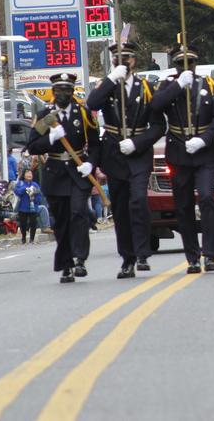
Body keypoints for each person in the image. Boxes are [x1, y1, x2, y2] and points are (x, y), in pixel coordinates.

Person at [87, 42, 165, 279]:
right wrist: (112, 79)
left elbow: (159, 125)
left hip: (138, 153)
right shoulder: (107, 85)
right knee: (120, 208)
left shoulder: (146, 88)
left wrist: (138, 143)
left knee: (139, 200)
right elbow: (91, 104)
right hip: (114, 153)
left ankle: (142, 253)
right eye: (117, 59)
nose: (122, 63)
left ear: (135, 61)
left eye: (127, 59)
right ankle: (127, 258)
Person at [150, 43, 214, 274]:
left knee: (206, 199)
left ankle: (211, 255)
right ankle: (192, 257)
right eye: (181, 64)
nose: (186, 68)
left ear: (196, 64)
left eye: (190, 63)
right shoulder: (167, 85)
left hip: (204, 151)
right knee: (183, 207)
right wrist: (177, 86)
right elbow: (155, 106)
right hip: (179, 151)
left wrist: (205, 139)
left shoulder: (209, 85)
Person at [28, 72, 102, 283]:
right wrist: (51, 138)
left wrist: (91, 163)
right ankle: (66, 264)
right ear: (53, 92)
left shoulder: (83, 113)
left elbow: (96, 144)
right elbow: (32, 146)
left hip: (78, 171)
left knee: (78, 213)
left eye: (67, 90)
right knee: (61, 220)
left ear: (72, 92)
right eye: (59, 90)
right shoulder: (45, 115)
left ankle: (80, 259)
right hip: (55, 172)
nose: (63, 94)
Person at [13, 169, 43, 244]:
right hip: (23, 207)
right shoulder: (20, 183)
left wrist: (36, 200)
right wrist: (25, 188)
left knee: (33, 223)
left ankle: (32, 239)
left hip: (33, 207)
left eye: (30, 173)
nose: (29, 175)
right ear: (24, 175)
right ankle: (23, 237)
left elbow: (39, 195)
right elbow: (17, 192)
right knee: (23, 224)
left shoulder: (35, 184)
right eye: (27, 173)